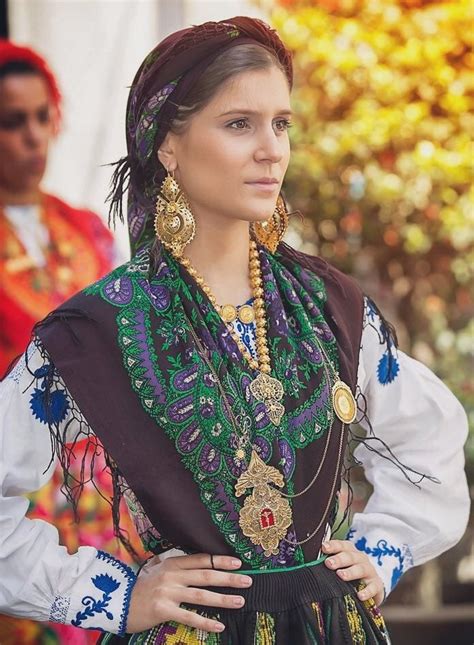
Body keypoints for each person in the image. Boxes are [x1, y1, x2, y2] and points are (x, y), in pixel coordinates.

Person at [0, 17, 469, 644]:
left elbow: (428, 447)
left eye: (281, 124)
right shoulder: (98, 329)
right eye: (238, 124)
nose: (271, 148)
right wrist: (113, 596)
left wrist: (383, 551)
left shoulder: (325, 302)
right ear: (167, 144)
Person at [0, 41, 142, 644]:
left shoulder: (87, 230)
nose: (33, 136)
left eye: (42, 116)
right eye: (11, 121)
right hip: (14, 483)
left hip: (103, 486)